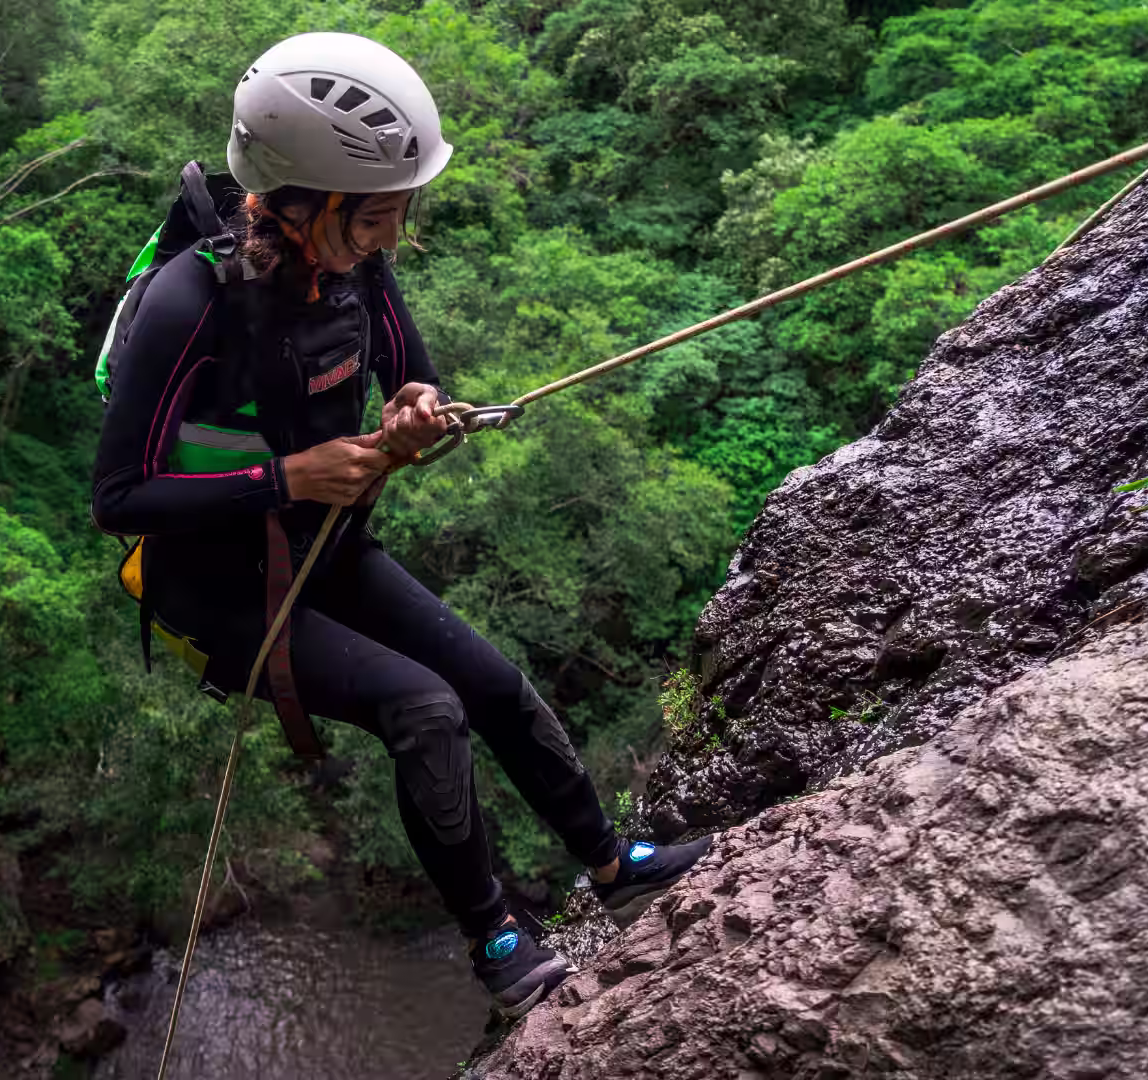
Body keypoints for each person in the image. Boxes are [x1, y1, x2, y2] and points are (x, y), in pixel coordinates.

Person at [90, 31, 710, 1018]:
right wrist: (287, 475)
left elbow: (412, 381)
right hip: (215, 590)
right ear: (302, 201)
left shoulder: (353, 266)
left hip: (326, 549)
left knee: (491, 682)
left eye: (398, 213)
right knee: (424, 707)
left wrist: (418, 416)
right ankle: (496, 941)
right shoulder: (189, 303)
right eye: (377, 215)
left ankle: (610, 862)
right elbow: (117, 499)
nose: (392, 236)